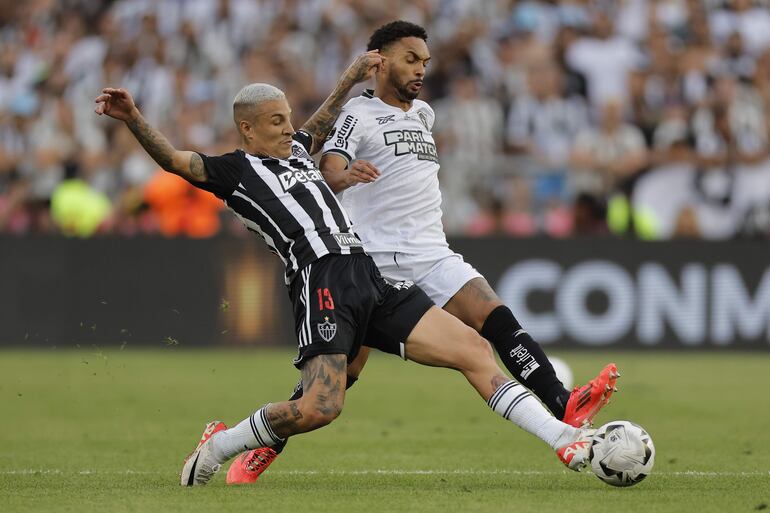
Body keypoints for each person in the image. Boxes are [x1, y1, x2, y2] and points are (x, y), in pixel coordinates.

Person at [95, 51, 597, 487]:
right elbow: (176, 161)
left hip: (366, 273)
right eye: (275, 121)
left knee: (473, 348)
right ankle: (220, 444)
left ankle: (564, 440)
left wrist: (352, 76)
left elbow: (324, 115)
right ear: (246, 128)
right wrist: (134, 117)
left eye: (288, 117)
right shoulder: (235, 172)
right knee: (320, 407)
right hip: (320, 280)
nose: (289, 128)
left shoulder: (295, 150)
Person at [228, 21, 619, 485]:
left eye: (425, 63)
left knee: (492, 314)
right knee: (339, 378)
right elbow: (323, 174)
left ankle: (563, 402)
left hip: (430, 250)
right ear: (380, 60)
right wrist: (346, 175)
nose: (420, 70)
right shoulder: (358, 113)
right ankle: (261, 446)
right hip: (369, 257)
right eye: (410, 59)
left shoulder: (425, 115)